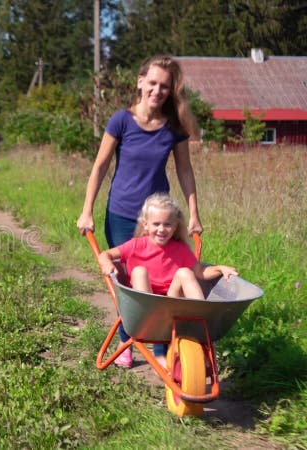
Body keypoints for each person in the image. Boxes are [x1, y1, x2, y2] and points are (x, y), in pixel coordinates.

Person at [77, 54, 204, 368]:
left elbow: (185, 171)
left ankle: (160, 345)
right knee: (127, 280)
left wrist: (194, 214)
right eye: (152, 83)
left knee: (162, 278)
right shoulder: (121, 120)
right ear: (140, 82)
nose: (157, 90)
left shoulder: (173, 128)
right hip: (121, 213)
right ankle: (127, 337)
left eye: (164, 86)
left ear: (170, 90)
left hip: (159, 219)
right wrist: (86, 210)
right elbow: (100, 166)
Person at [97, 193, 237, 367]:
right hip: (145, 308)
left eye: (167, 224)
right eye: (156, 224)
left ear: (175, 226)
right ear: (146, 225)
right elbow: (106, 254)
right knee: (140, 271)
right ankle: (150, 330)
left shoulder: (180, 249)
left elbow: (200, 272)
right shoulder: (136, 245)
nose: (161, 229)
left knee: (185, 272)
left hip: (170, 304)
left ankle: (200, 319)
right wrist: (107, 264)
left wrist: (219, 268)